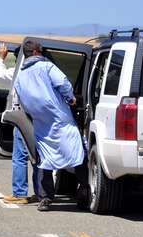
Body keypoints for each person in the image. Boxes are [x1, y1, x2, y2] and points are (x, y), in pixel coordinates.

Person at [13, 41, 89, 212]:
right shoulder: (46, 67)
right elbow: (63, 83)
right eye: (41, 51)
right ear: (34, 53)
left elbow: (22, 101)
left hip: (41, 124)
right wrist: (71, 99)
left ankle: (45, 199)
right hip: (61, 120)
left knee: (44, 160)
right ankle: (85, 191)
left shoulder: (20, 77)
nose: (43, 54)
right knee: (77, 154)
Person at [0, 43, 39, 204]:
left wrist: (0, 58)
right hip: (42, 118)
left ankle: (20, 193)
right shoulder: (45, 71)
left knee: (20, 156)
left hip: (23, 117)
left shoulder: (18, 72)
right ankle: (41, 192)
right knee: (38, 156)